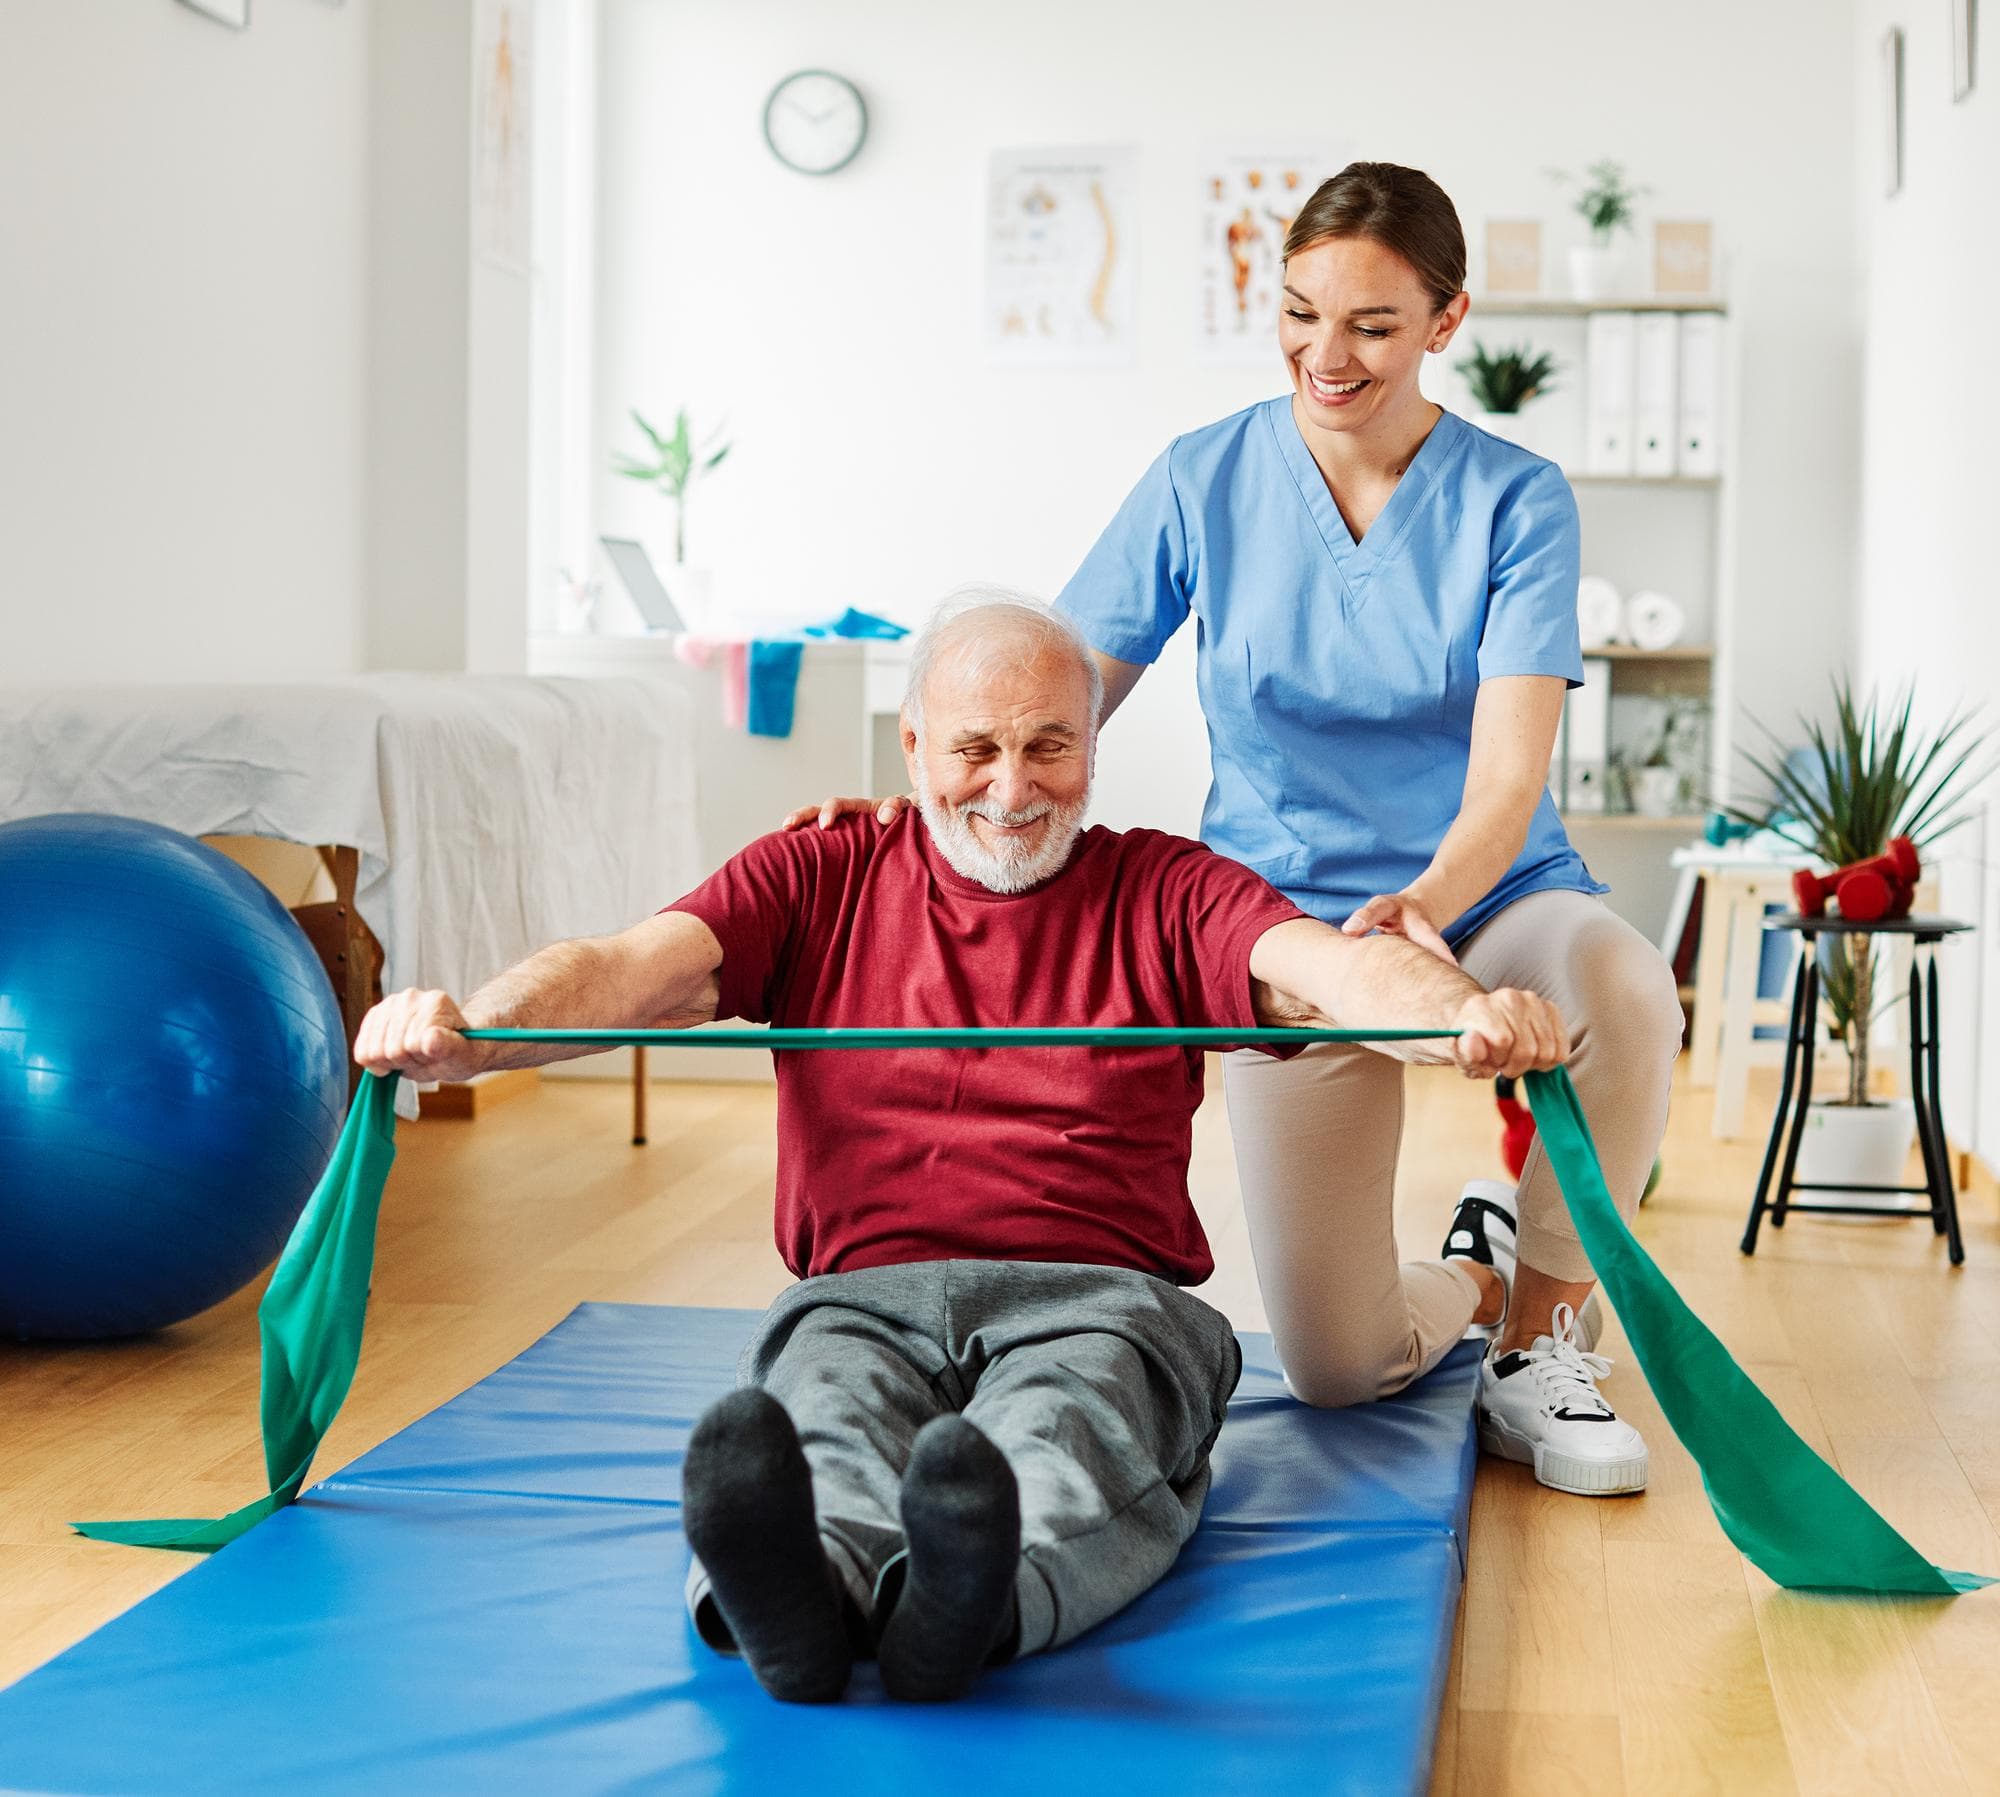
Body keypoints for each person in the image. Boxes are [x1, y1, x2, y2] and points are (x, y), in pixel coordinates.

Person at [356, 597, 1567, 1704]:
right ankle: (807, 1596)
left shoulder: (1166, 886)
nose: (1010, 787)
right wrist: (475, 1031)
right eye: (974, 748)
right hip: (857, 1297)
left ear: (1092, 749)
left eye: (1048, 744)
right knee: (821, 1413)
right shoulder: (815, 872)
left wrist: (1459, 1007)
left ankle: (970, 1609)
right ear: (912, 751)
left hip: (1101, 1304)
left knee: (1067, 1427)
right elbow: (623, 970)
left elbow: (1336, 968)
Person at [785, 163, 1684, 1499]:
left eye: (1373, 325)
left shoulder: (1515, 497)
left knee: (1621, 980)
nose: (1328, 354)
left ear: (1447, 322)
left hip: (1484, 891)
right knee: (1337, 1365)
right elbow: (1057, 694)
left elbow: (1506, 778)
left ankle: (1544, 1344)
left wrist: (1429, 912)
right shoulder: (1204, 478)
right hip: (1286, 930)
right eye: (1301, 311)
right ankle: (1482, 1260)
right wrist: (933, 804)